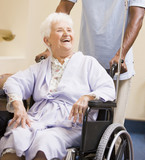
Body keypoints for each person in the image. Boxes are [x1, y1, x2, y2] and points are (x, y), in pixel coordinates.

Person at [35, 0, 145, 126]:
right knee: (82, 125)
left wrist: (121, 53)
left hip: (119, 63)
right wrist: (51, 47)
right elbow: (64, 8)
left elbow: (137, 18)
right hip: (87, 61)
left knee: (113, 126)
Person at [0, 13, 115, 160]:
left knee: (46, 141)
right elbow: (14, 82)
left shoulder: (88, 63)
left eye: (69, 30)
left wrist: (87, 97)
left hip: (70, 125)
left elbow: (108, 88)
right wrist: (18, 106)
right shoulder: (40, 67)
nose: (66, 33)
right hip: (36, 120)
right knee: (17, 135)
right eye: (60, 30)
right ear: (47, 40)